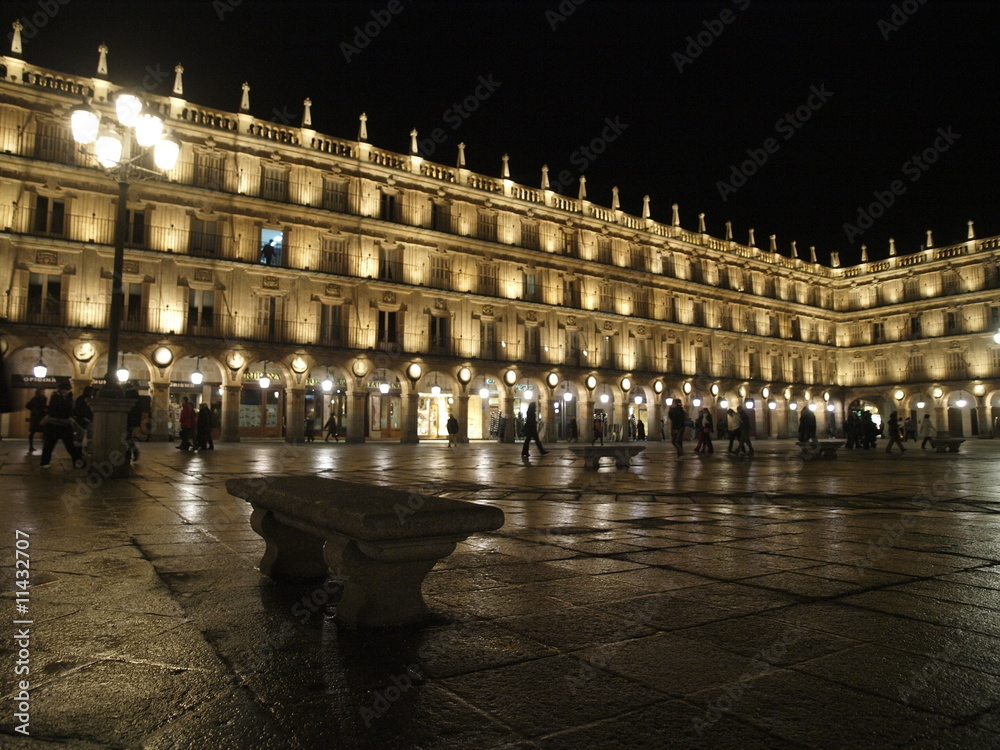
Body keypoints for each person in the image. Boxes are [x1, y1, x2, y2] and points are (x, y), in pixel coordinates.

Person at [39, 381, 84, 469]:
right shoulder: (56, 397)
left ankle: (77, 461)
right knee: (50, 444)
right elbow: (59, 409)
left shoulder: (67, 398)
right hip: (54, 424)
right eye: (65, 390)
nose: (66, 391)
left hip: (63, 424)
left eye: (67, 390)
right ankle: (44, 462)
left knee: (69, 445)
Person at [26, 388, 47, 454]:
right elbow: (28, 405)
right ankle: (31, 446)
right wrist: (35, 410)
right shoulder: (36, 398)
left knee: (42, 432)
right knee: (33, 432)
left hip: (40, 416)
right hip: (36, 417)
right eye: (42, 391)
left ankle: (41, 446)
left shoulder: (43, 398)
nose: (43, 392)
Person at [125, 389, 143, 463]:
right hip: (133, 423)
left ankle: (131, 452)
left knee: (128, 438)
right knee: (129, 439)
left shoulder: (131, 404)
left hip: (129, 423)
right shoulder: (138, 404)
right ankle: (130, 453)